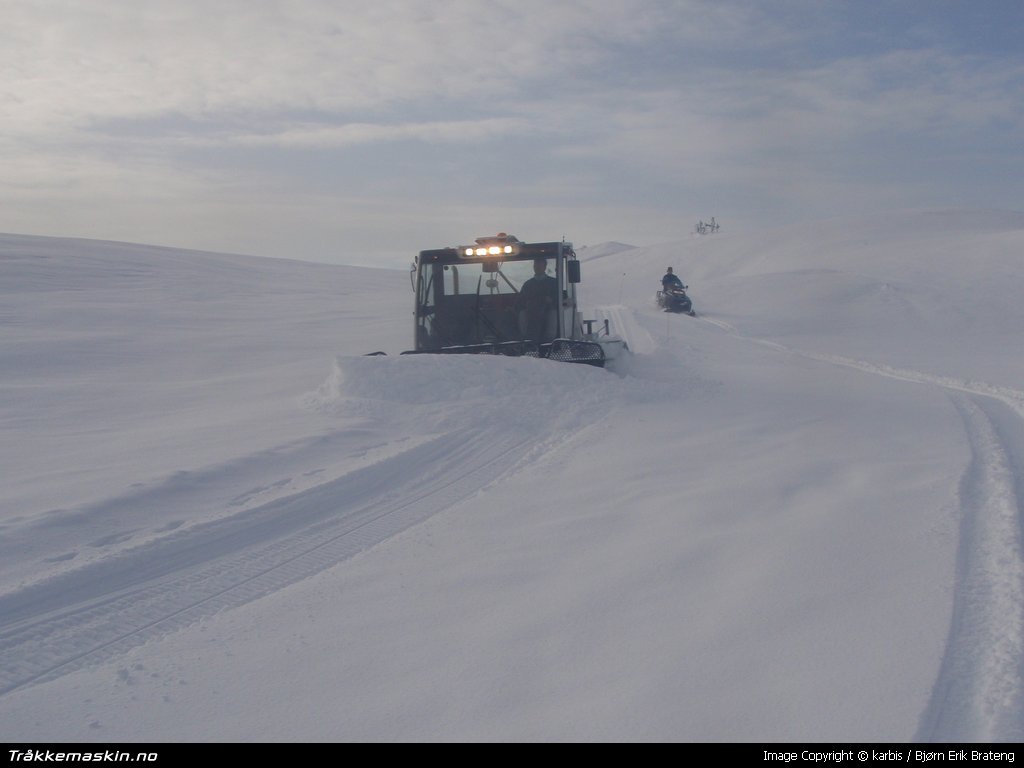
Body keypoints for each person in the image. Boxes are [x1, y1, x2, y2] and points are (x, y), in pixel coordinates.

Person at [517, 258, 559, 342]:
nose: (537, 267)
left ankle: (550, 341)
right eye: (535, 265)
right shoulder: (528, 284)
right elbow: (520, 301)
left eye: (540, 265)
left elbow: (559, 299)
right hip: (531, 312)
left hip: (548, 310)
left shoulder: (553, 283)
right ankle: (526, 340)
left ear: (545, 266)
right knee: (522, 314)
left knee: (553, 314)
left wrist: (550, 301)